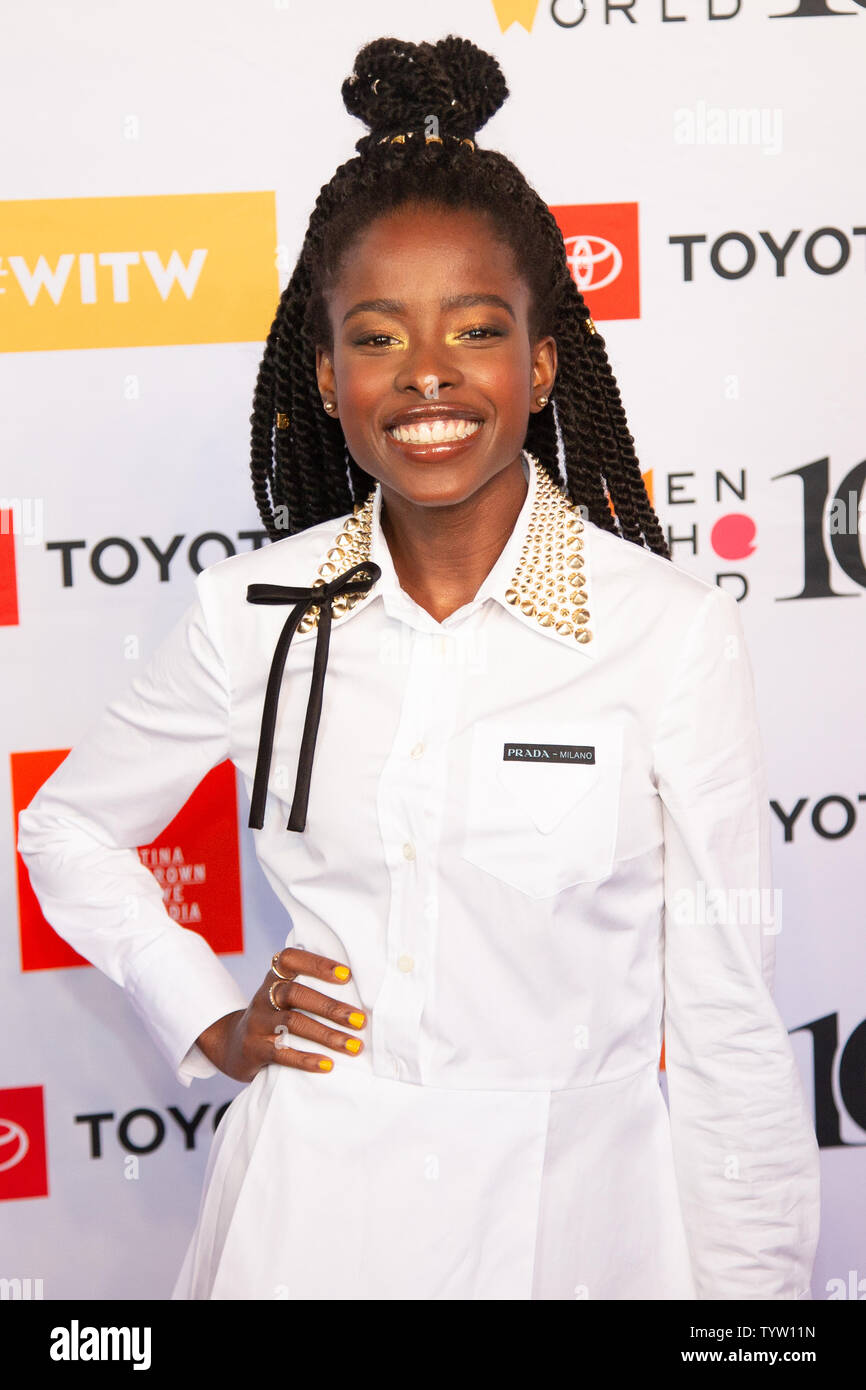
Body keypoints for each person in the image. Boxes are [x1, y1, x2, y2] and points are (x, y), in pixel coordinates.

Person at [17, 34, 820, 1301]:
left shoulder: (663, 630)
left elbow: (723, 1019)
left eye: (477, 328)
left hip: (580, 1226)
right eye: (379, 337)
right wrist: (205, 1010)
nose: (428, 373)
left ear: (542, 361)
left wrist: (756, 1309)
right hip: (312, 1214)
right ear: (326, 377)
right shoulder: (253, 611)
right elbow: (65, 827)